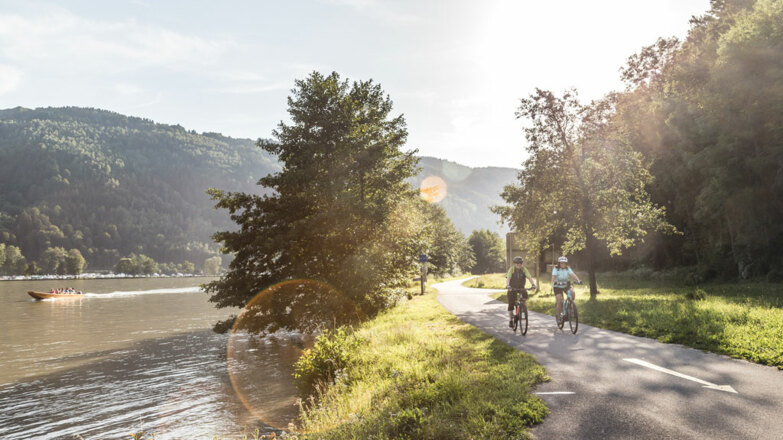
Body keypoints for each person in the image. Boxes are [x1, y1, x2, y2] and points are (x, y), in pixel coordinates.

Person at [506, 256, 536, 328]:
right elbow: (508, 278)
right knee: (511, 304)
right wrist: (508, 286)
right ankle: (510, 320)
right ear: (514, 264)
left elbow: (529, 277)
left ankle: (522, 307)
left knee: (525, 295)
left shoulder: (524, 269)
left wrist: (533, 284)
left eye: (520, 263)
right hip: (512, 288)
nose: (519, 264)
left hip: (521, 287)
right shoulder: (512, 269)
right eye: (517, 263)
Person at [552, 256, 582, 323]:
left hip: (566, 285)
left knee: (572, 293)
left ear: (566, 263)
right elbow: (553, 277)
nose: (563, 264)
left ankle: (569, 306)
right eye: (561, 263)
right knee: (559, 300)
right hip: (557, 286)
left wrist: (578, 280)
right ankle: (558, 316)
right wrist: (556, 282)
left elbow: (572, 274)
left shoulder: (568, 269)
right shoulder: (556, 269)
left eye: (564, 263)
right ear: (559, 263)